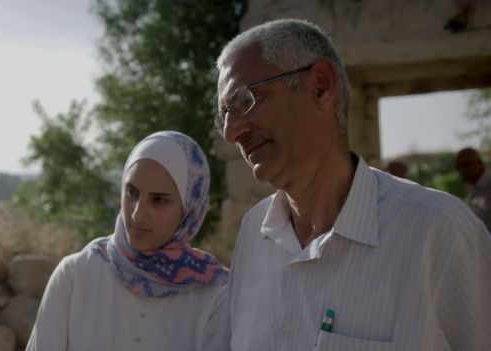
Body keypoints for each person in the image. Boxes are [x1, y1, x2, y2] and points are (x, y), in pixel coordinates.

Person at [207, 18, 491, 350]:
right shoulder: (253, 234)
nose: (230, 131)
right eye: (224, 113)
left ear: (321, 86)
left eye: (244, 101)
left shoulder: (442, 234)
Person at [26, 131, 229, 351]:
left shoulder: (214, 294)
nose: (137, 215)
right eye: (132, 192)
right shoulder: (77, 274)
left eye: (159, 200)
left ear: (190, 208)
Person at [456, 147, 491, 231]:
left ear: (480, 163)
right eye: (458, 167)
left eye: (467, 164)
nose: (463, 170)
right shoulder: (471, 184)